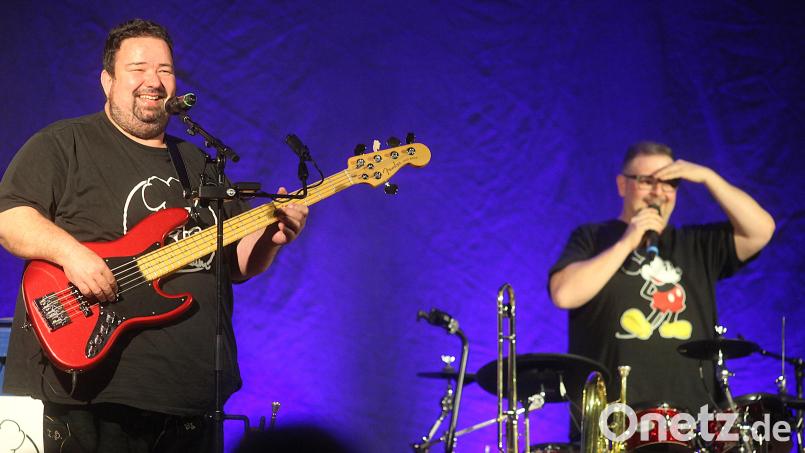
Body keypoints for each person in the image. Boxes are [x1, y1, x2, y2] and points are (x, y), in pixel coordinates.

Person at [0, 19, 308, 453]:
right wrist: (73, 254)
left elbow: (236, 265)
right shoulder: (65, 144)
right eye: (138, 68)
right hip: (92, 396)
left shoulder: (200, 165)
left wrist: (271, 240)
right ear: (107, 81)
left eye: (164, 70)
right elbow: (10, 218)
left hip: (190, 399)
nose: (154, 81)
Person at [548, 142, 774, 430]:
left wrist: (708, 177)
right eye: (647, 181)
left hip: (691, 423)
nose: (658, 192)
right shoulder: (593, 238)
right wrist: (629, 240)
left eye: (670, 182)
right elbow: (564, 294)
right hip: (612, 422)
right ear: (622, 185)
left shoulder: (695, 244)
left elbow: (761, 230)